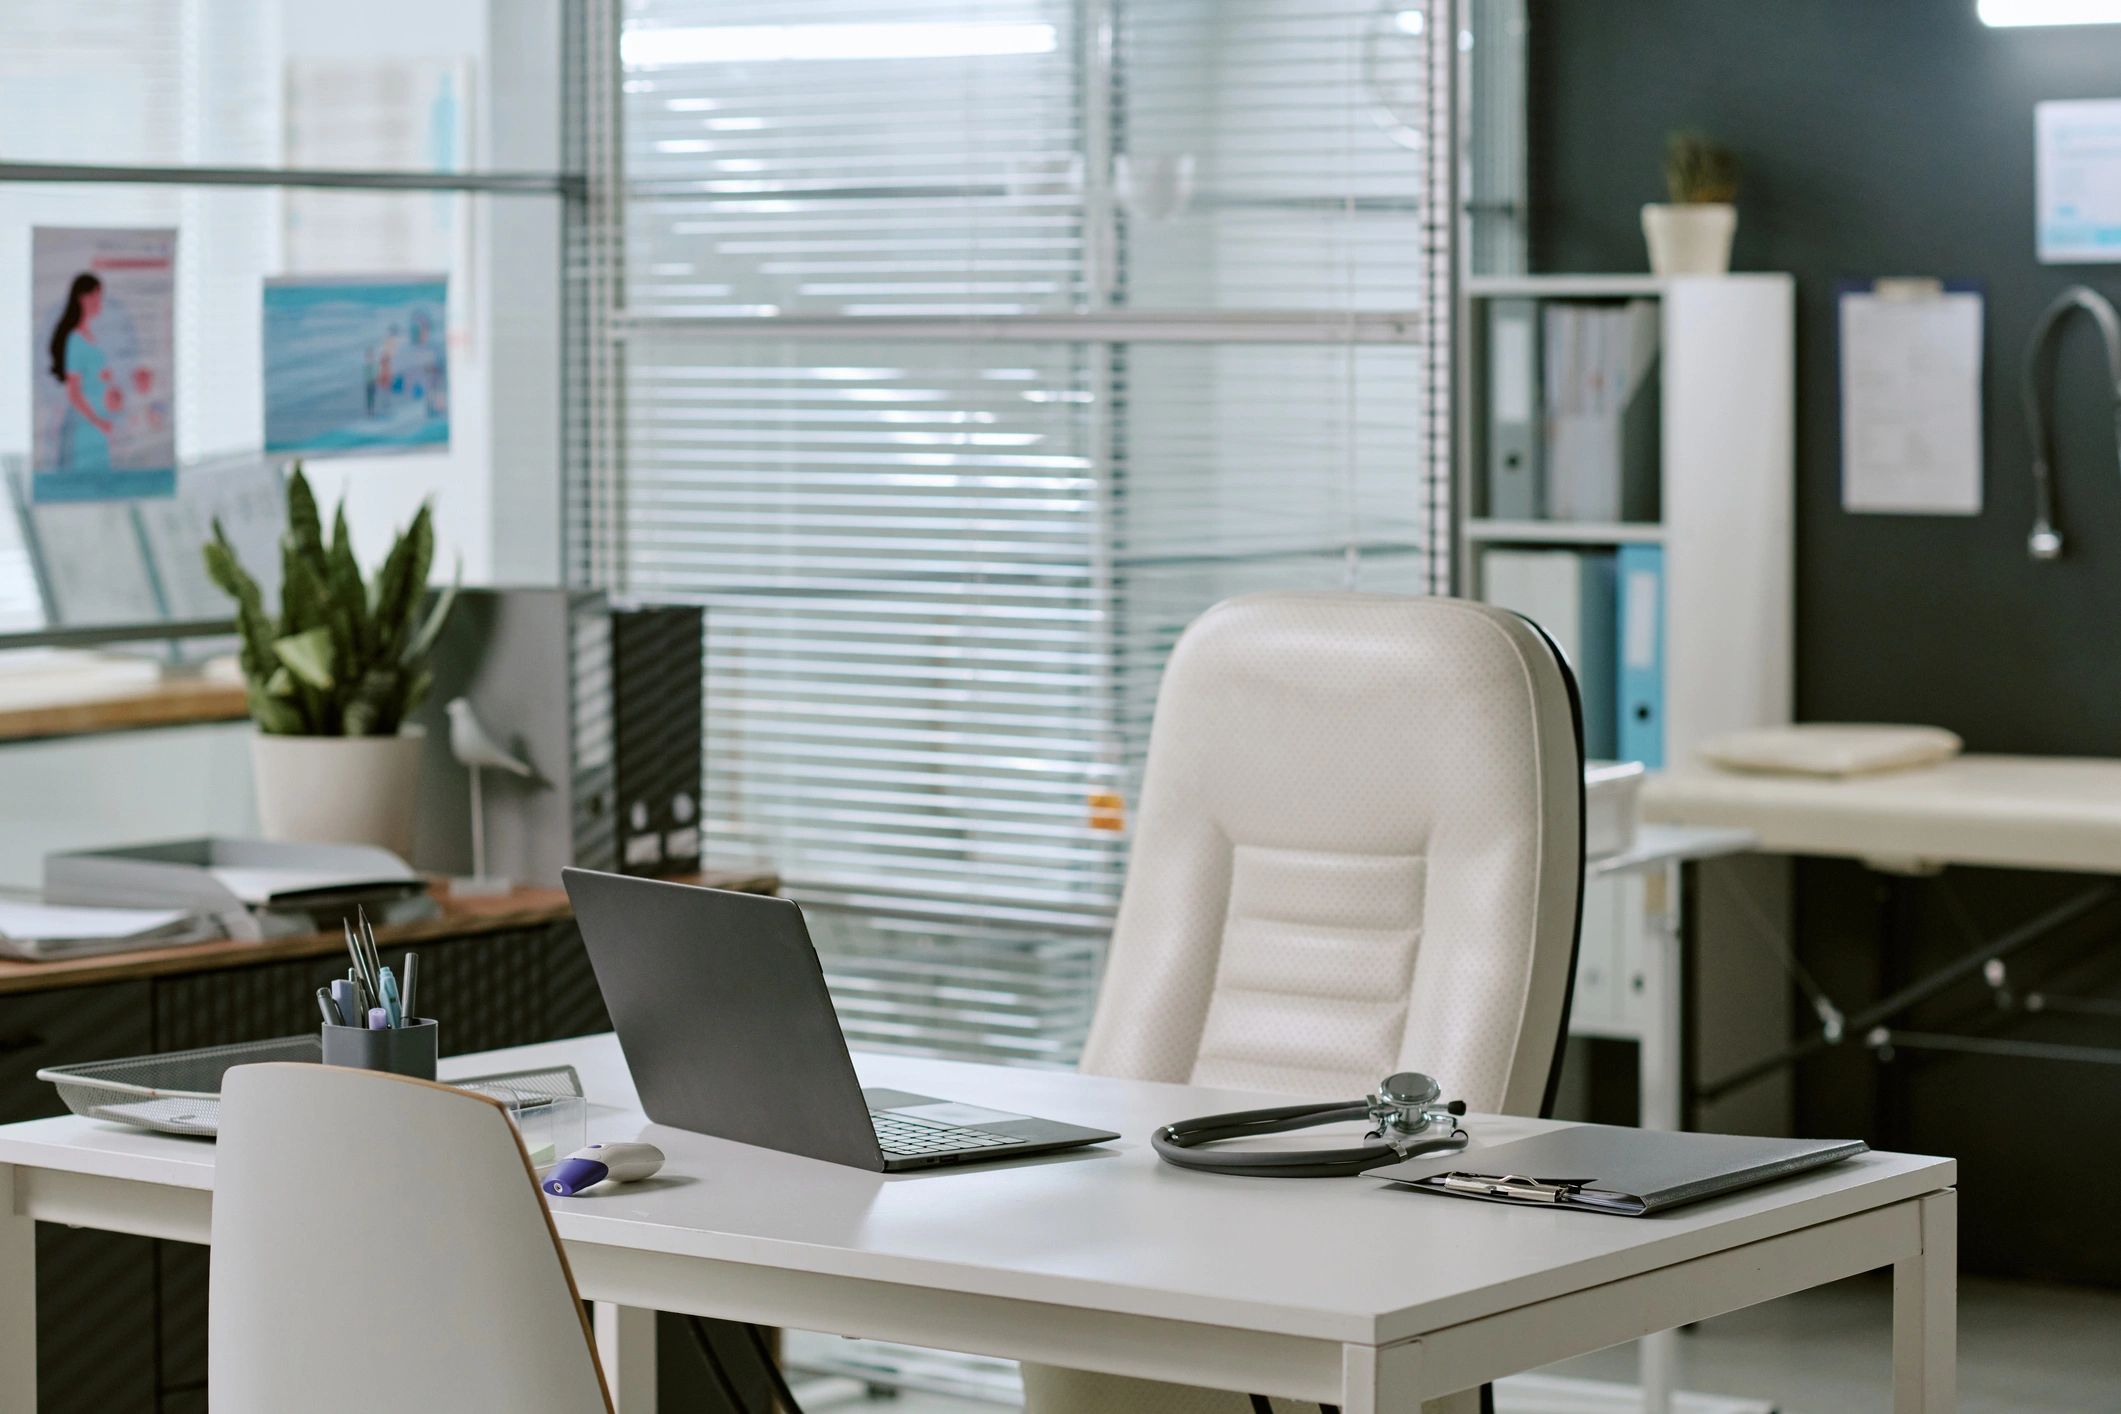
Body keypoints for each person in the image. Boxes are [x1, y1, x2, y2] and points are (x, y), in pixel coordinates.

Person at [47, 273, 115, 474]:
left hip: (97, 422)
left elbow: (91, 375)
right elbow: (74, 393)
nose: (99, 302)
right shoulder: (75, 340)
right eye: (95, 296)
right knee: (84, 478)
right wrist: (97, 421)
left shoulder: (90, 336)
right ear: (82, 298)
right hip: (85, 425)